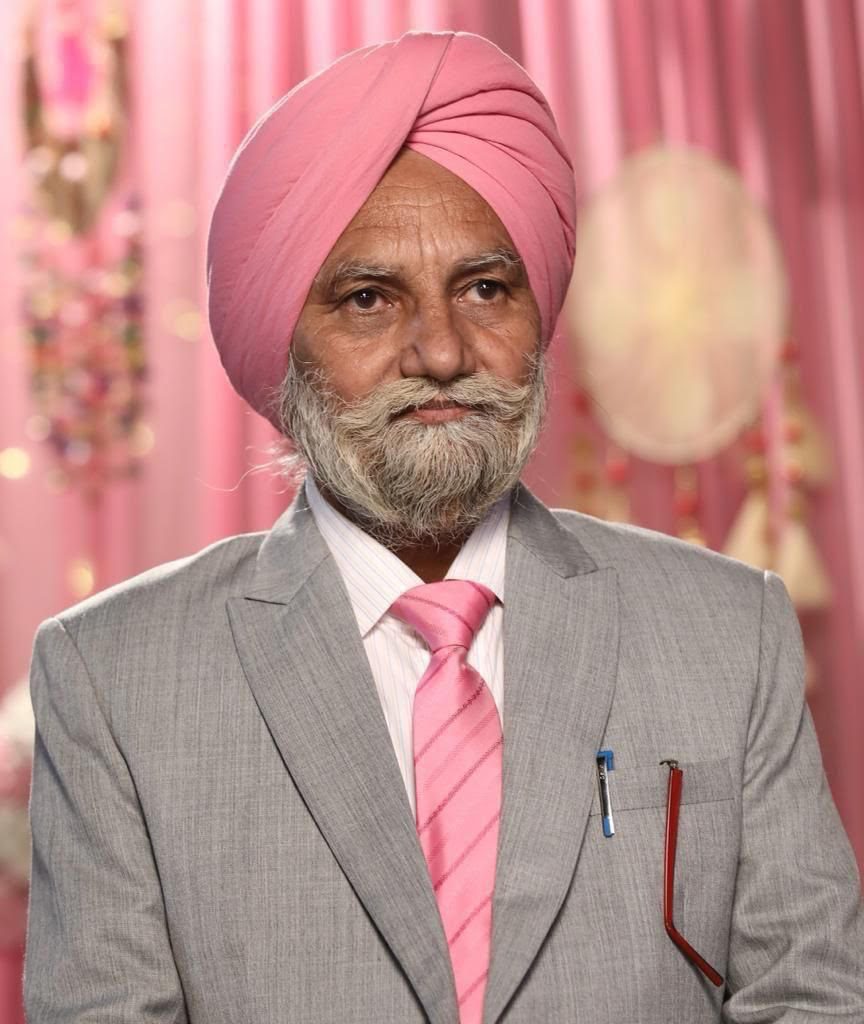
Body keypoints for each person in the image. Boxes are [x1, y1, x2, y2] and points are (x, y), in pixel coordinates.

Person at [24, 30, 864, 1024]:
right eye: (369, 299)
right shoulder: (113, 674)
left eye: (484, 289)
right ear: (284, 339)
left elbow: (813, 995)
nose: (441, 351)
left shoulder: (728, 629)